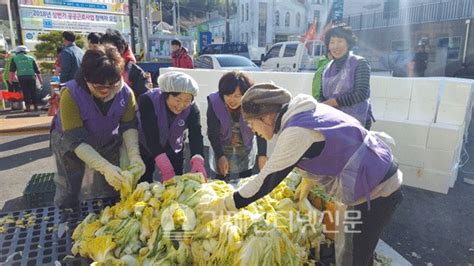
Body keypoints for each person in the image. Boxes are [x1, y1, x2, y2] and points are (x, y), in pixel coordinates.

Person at [197, 84, 403, 266]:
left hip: (376, 190)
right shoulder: (303, 114)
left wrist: (223, 206)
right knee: (357, 250)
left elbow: (266, 181)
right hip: (374, 176)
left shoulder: (296, 131)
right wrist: (308, 181)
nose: (252, 130)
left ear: (267, 117)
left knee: (351, 255)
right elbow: (326, 148)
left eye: (251, 124)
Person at [50, 45, 145, 209]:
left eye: (112, 85)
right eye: (98, 86)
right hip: (71, 144)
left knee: (114, 185)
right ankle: (67, 218)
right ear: (86, 79)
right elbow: (76, 140)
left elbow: (128, 126)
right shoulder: (71, 94)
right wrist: (104, 167)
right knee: (70, 188)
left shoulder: (126, 93)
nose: (105, 90)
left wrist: (134, 156)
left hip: (107, 139)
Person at [138, 71, 206, 182]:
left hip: (173, 145)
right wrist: (163, 164)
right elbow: (151, 135)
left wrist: (198, 157)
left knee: (176, 181)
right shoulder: (148, 100)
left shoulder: (192, 109)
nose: (181, 105)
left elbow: (196, 135)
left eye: (187, 101)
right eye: (177, 100)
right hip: (146, 144)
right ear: (166, 94)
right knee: (144, 180)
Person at [207, 71, 267, 181]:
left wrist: (262, 155)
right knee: (220, 181)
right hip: (221, 147)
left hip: (245, 148)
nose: (232, 100)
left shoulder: (254, 103)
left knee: (245, 180)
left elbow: (261, 131)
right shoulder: (215, 103)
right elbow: (213, 132)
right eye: (228, 95)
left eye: (237, 96)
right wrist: (220, 155)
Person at [320, 24, 374, 129]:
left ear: (348, 43)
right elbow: (322, 96)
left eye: (340, 41)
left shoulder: (360, 63)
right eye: (332, 42)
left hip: (357, 121)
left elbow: (360, 94)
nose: (336, 46)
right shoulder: (326, 69)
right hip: (333, 120)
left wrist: (332, 103)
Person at [101, 29, 149, 98]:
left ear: (121, 48)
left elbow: (143, 98)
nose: (104, 52)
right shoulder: (97, 68)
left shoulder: (135, 72)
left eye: (109, 49)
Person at [9, 45, 43, 112]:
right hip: (31, 76)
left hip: (22, 77)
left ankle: (28, 108)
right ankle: (36, 107)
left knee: (25, 92)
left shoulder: (14, 58)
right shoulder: (31, 58)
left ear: (17, 52)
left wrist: (10, 79)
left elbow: (12, 70)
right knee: (33, 91)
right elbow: (37, 70)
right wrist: (40, 79)